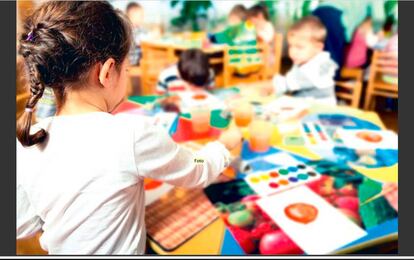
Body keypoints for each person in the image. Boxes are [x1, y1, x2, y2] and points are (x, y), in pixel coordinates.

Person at [16, 1, 242, 255]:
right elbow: (195, 172)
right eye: (127, 68)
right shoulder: (132, 134)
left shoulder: (28, 141)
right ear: (107, 72)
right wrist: (223, 146)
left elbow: (20, 221)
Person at [262, 16, 338, 105]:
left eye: (299, 47)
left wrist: (251, 87)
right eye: (291, 46)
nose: (293, 52)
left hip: (320, 113)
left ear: (318, 48)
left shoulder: (316, 68)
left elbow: (281, 84)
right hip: (306, 106)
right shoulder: (302, 61)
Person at [126, 2, 148, 66]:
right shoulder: (128, 30)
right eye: (140, 16)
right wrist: (152, 36)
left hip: (140, 59)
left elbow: (145, 33)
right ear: (131, 16)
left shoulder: (139, 28)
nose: (142, 18)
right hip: (133, 62)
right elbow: (139, 40)